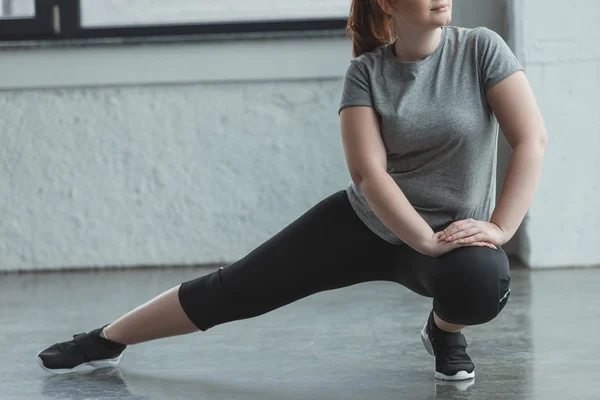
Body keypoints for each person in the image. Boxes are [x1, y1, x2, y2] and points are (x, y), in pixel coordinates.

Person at [36, 0, 548, 381]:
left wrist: (500, 227)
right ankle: (103, 339)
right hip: (366, 223)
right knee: (236, 288)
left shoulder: (480, 48)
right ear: (389, 4)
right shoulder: (366, 74)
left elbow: (531, 138)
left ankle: (444, 331)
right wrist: (422, 239)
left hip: (451, 234)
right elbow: (370, 176)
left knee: (482, 278)